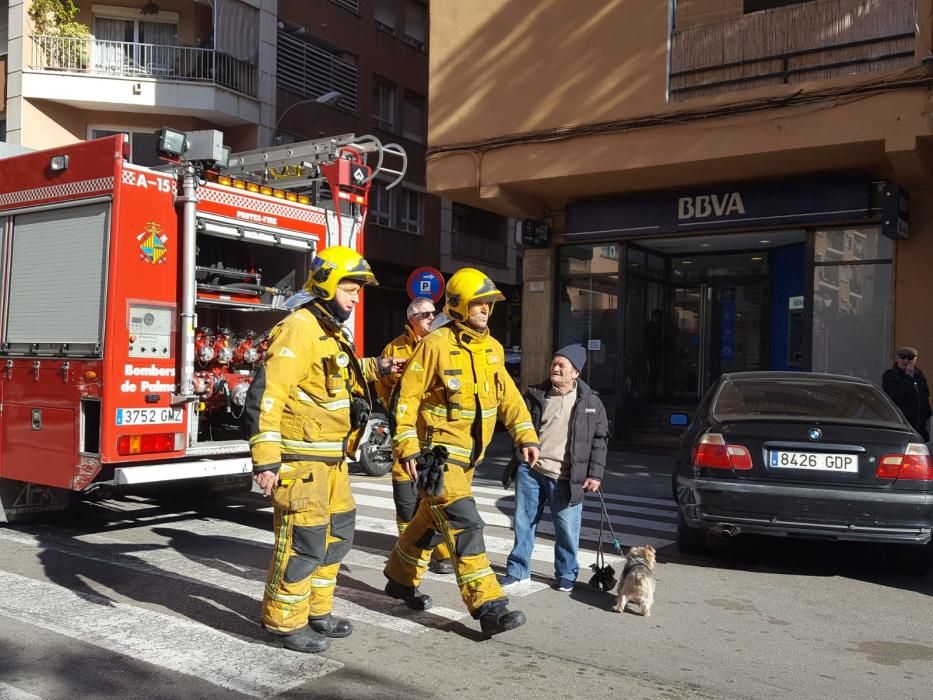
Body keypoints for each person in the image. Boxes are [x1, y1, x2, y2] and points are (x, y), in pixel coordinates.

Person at [243, 245, 403, 654]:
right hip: (302, 461)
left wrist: (378, 368)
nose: (355, 298)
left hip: (332, 460)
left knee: (338, 537)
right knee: (302, 542)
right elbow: (267, 395)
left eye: (357, 291)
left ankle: (317, 611)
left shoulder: (329, 330)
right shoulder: (299, 328)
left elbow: (336, 377)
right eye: (350, 289)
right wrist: (265, 460)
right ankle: (282, 623)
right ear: (328, 285)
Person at [382, 268, 541, 638]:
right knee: (464, 524)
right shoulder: (435, 344)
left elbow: (510, 398)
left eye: (489, 302)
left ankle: (399, 578)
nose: (486, 308)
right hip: (438, 459)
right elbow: (405, 398)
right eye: (478, 302)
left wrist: (526, 436)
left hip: (470, 460)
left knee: (426, 524)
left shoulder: (493, 348)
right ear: (457, 305)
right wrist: (406, 445)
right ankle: (488, 606)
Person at [499, 344, 609, 592]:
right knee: (523, 524)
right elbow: (518, 425)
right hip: (531, 470)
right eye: (554, 363)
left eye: (562, 365)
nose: (556, 368)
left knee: (567, 530)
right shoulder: (536, 394)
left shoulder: (591, 402)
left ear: (575, 373)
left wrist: (595, 474)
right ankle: (518, 571)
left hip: (567, 476)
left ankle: (566, 574)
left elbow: (600, 441)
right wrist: (519, 454)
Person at [374, 297, 455, 575]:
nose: (432, 318)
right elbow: (383, 387)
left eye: (435, 313)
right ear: (412, 319)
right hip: (405, 437)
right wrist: (396, 412)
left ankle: (441, 554)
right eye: (426, 314)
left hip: (434, 436)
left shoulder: (443, 344)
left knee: (435, 495)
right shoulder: (394, 348)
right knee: (407, 503)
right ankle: (407, 552)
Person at [882, 346, 932, 441]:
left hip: (920, 424)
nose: (906, 361)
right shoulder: (891, 374)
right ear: (897, 359)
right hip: (902, 422)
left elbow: (924, 395)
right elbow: (894, 396)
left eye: (910, 358)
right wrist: (908, 378)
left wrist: (927, 413)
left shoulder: (919, 375)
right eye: (903, 357)